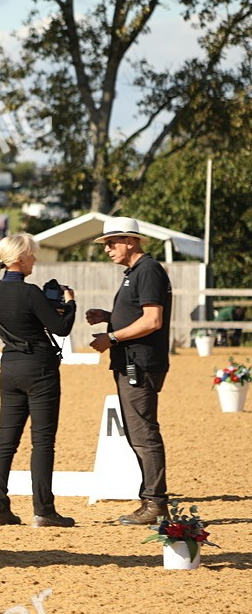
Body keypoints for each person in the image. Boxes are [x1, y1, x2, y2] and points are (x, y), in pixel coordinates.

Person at [0, 233, 77, 527]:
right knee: (42, 441)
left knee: (5, 441)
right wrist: (70, 304)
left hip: (9, 366)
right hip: (39, 368)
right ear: (21, 259)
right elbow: (60, 328)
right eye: (32, 256)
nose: (35, 260)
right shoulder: (31, 292)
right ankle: (44, 510)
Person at [86, 217, 173, 525]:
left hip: (139, 362)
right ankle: (150, 499)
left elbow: (152, 321)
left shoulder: (147, 271)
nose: (107, 249)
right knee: (138, 433)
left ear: (130, 241)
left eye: (111, 243)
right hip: (132, 360)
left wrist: (111, 337)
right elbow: (137, 315)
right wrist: (109, 317)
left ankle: (155, 502)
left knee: (143, 433)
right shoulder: (136, 273)